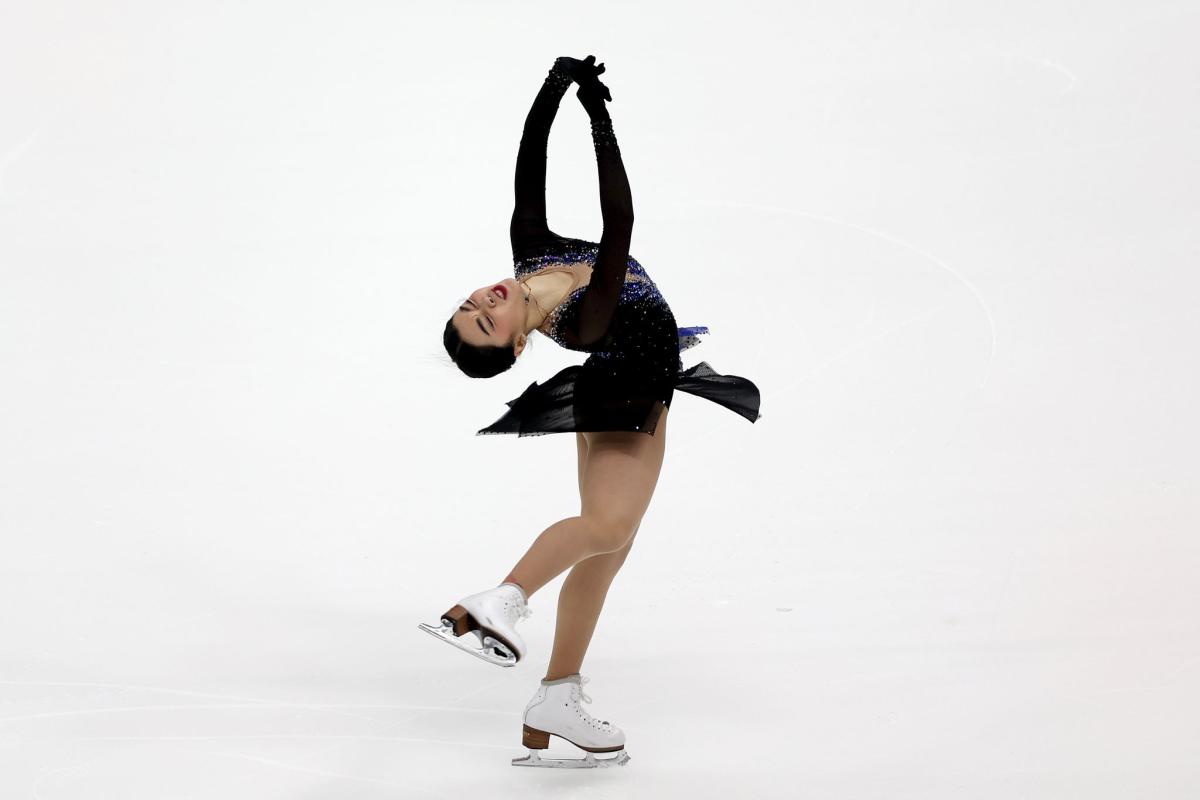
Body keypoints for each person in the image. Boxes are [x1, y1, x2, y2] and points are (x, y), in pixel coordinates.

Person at [422, 56, 762, 769]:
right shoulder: (581, 320)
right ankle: (502, 600)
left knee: (609, 545)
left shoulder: (529, 254)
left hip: (625, 385)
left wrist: (555, 87)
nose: (483, 301)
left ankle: (557, 693)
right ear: (518, 347)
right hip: (630, 387)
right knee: (608, 527)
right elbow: (620, 224)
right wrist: (601, 120)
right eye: (485, 322)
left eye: (471, 305)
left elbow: (529, 162)